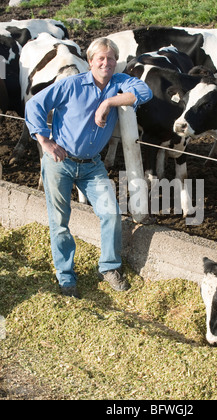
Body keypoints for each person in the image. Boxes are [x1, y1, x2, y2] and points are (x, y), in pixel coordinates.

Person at [25, 38, 153, 298]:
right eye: (101, 59)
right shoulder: (71, 85)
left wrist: (108, 103)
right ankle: (66, 276)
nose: (106, 63)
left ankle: (109, 267)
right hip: (60, 161)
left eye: (111, 59)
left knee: (111, 213)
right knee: (59, 221)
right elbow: (34, 105)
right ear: (91, 61)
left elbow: (145, 92)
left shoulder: (119, 83)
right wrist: (45, 141)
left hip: (92, 165)